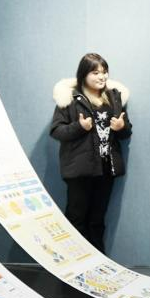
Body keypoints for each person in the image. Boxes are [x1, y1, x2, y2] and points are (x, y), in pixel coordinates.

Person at [50, 53, 131, 253]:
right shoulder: (70, 98)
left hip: (106, 168)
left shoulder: (114, 97)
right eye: (95, 73)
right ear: (84, 75)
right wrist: (79, 127)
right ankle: (76, 260)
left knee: (97, 219)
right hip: (80, 169)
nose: (102, 76)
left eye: (104, 72)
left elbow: (126, 131)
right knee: (77, 218)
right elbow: (56, 131)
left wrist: (121, 127)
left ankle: (98, 261)